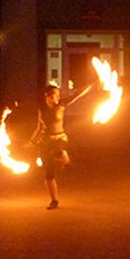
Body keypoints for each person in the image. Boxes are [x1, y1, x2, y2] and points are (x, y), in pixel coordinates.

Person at [29, 81, 93, 209]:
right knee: (48, 173)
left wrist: (91, 83)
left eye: (58, 95)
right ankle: (54, 200)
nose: (57, 98)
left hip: (60, 138)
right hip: (45, 141)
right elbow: (38, 127)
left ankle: (66, 161)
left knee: (56, 151)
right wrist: (31, 141)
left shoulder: (62, 105)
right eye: (55, 95)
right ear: (47, 96)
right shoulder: (41, 110)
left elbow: (78, 94)